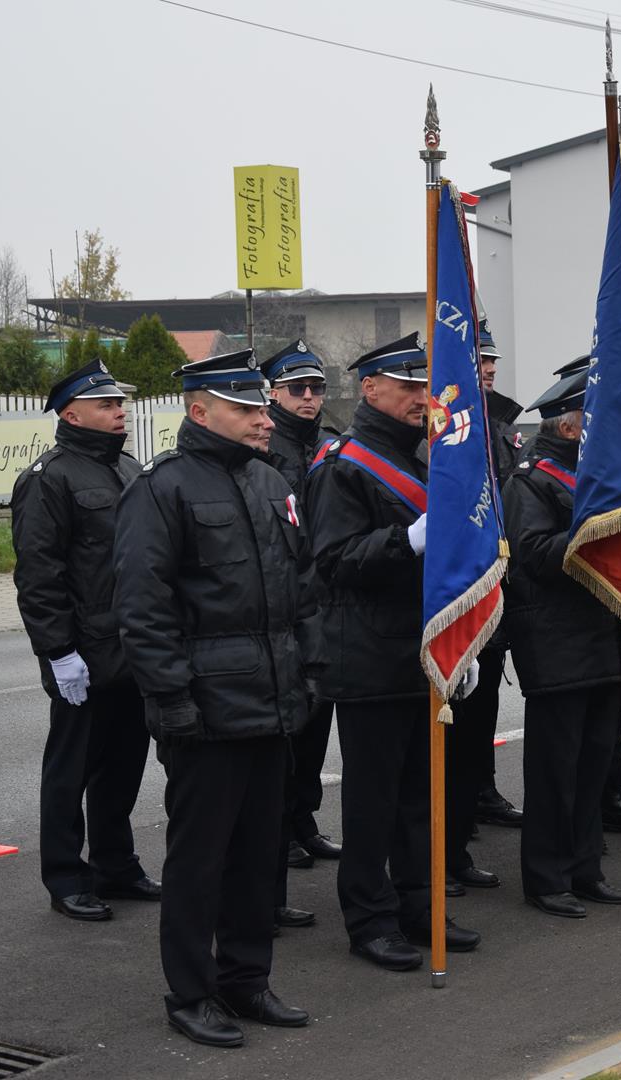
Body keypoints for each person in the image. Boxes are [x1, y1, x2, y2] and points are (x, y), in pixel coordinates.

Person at [114, 349, 311, 1047]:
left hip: (272, 702)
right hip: (205, 711)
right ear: (200, 411)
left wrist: (303, 677)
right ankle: (192, 994)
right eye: (247, 409)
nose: (264, 420)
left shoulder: (268, 482)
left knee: (261, 855)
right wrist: (172, 701)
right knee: (201, 861)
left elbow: (298, 590)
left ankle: (246, 981)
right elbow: (143, 607)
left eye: (263, 408)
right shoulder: (162, 488)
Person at [303, 333, 483, 972]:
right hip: (369, 659)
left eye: (422, 386)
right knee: (374, 802)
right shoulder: (341, 466)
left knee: (420, 797)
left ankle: (419, 904)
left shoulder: (423, 460)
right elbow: (332, 563)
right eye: (405, 386)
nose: (418, 398)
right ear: (369, 388)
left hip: (423, 650)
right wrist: (406, 540)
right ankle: (370, 918)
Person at [11, 359, 157, 923]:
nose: (120, 411)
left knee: (123, 765)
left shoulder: (126, 468)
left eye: (120, 403)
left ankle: (117, 866)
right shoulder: (49, 479)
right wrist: (58, 653)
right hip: (83, 654)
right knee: (71, 769)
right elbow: (39, 576)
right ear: (71, 414)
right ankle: (67, 876)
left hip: (131, 647)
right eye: (107, 404)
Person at [503, 362, 621, 917]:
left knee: (593, 768)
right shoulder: (529, 481)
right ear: (568, 425)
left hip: (603, 638)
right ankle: (547, 876)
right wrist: (596, 533)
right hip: (557, 643)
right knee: (556, 772)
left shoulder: (597, 477)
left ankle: (586, 867)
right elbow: (533, 552)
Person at [261, 341, 339, 935]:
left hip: (328, 602)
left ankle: (305, 819)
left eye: (315, 388)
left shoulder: (327, 441)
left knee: (318, 724)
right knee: (292, 728)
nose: (309, 398)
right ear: (273, 393)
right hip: (291, 601)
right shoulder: (270, 448)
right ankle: (283, 828)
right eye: (297, 389)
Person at [466, 318, 527, 831]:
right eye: (479, 359)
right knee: (460, 709)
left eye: (491, 361)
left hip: (501, 580)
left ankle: (481, 789)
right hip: (466, 584)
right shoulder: (450, 426)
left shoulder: (503, 424)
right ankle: (460, 800)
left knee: (484, 699)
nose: (487, 369)